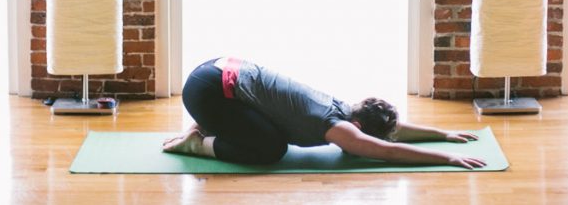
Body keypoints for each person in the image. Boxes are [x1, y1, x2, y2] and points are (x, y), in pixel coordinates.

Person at [162, 57, 486, 170]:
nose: (358, 142)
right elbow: (386, 150)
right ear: (358, 127)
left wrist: (442, 135)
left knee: (268, 127)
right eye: (362, 136)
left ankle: (205, 124)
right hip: (207, 92)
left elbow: (393, 133)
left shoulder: (346, 108)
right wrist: (446, 158)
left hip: (216, 71)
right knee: (270, 148)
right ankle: (197, 142)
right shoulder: (338, 126)